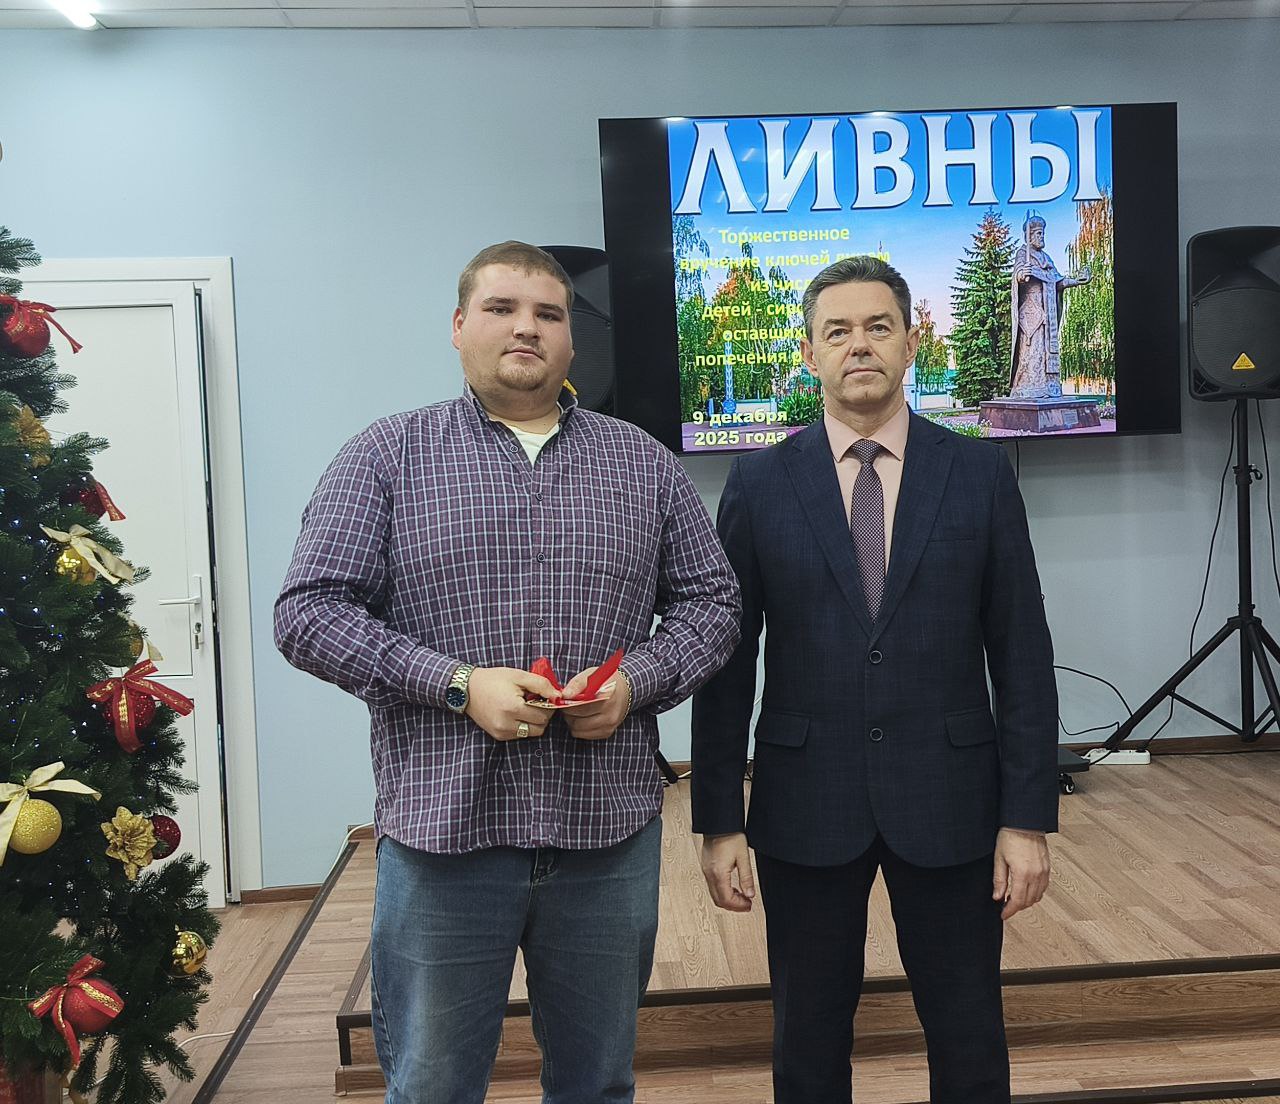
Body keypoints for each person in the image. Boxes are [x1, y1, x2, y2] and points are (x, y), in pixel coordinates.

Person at [275, 241, 741, 1104]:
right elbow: (308, 613)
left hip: (606, 836)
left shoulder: (642, 463)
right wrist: (457, 684)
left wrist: (636, 683)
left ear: (570, 340)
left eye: (548, 314)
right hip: (443, 838)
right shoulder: (385, 456)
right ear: (459, 327)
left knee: (597, 1084)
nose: (526, 327)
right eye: (501, 308)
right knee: (433, 1087)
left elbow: (713, 604)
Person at [692, 255, 1058, 1104]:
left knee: (969, 1036)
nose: (859, 345)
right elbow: (726, 659)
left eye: (878, 327)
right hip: (804, 804)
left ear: (909, 342)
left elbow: (1022, 653)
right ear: (810, 352)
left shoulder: (979, 474)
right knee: (808, 1042)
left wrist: (1027, 818)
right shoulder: (758, 481)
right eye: (838, 331)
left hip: (953, 802)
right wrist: (718, 820)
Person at [1010, 213, 1092, 399]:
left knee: (1047, 350)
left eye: (1042, 233)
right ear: (1029, 236)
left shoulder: (1046, 258)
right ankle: (1029, 386)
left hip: (1048, 312)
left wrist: (1076, 281)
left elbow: (1057, 281)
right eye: (1038, 234)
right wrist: (1023, 274)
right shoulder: (1023, 254)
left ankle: (1049, 386)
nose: (1041, 237)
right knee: (1032, 350)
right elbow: (1018, 274)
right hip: (1031, 313)